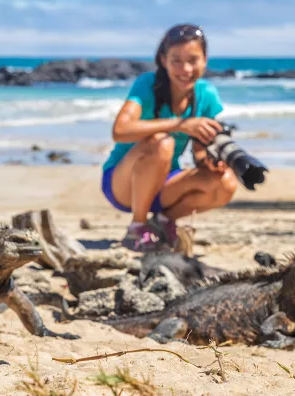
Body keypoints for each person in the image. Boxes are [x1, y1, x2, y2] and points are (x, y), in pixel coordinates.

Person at [100, 23, 239, 252]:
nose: (185, 69)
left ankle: (163, 221)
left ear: (205, 60)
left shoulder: (206, 95)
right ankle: (137, 226)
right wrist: (181, 124)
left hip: (166, 185)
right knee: (162, 142)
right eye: (176, 60)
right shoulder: (147, 84)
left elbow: (199, 153)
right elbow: (120, 130)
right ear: (163, 60)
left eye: (193, 60)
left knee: (225, 182)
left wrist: (211, 163)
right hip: (123, 183)